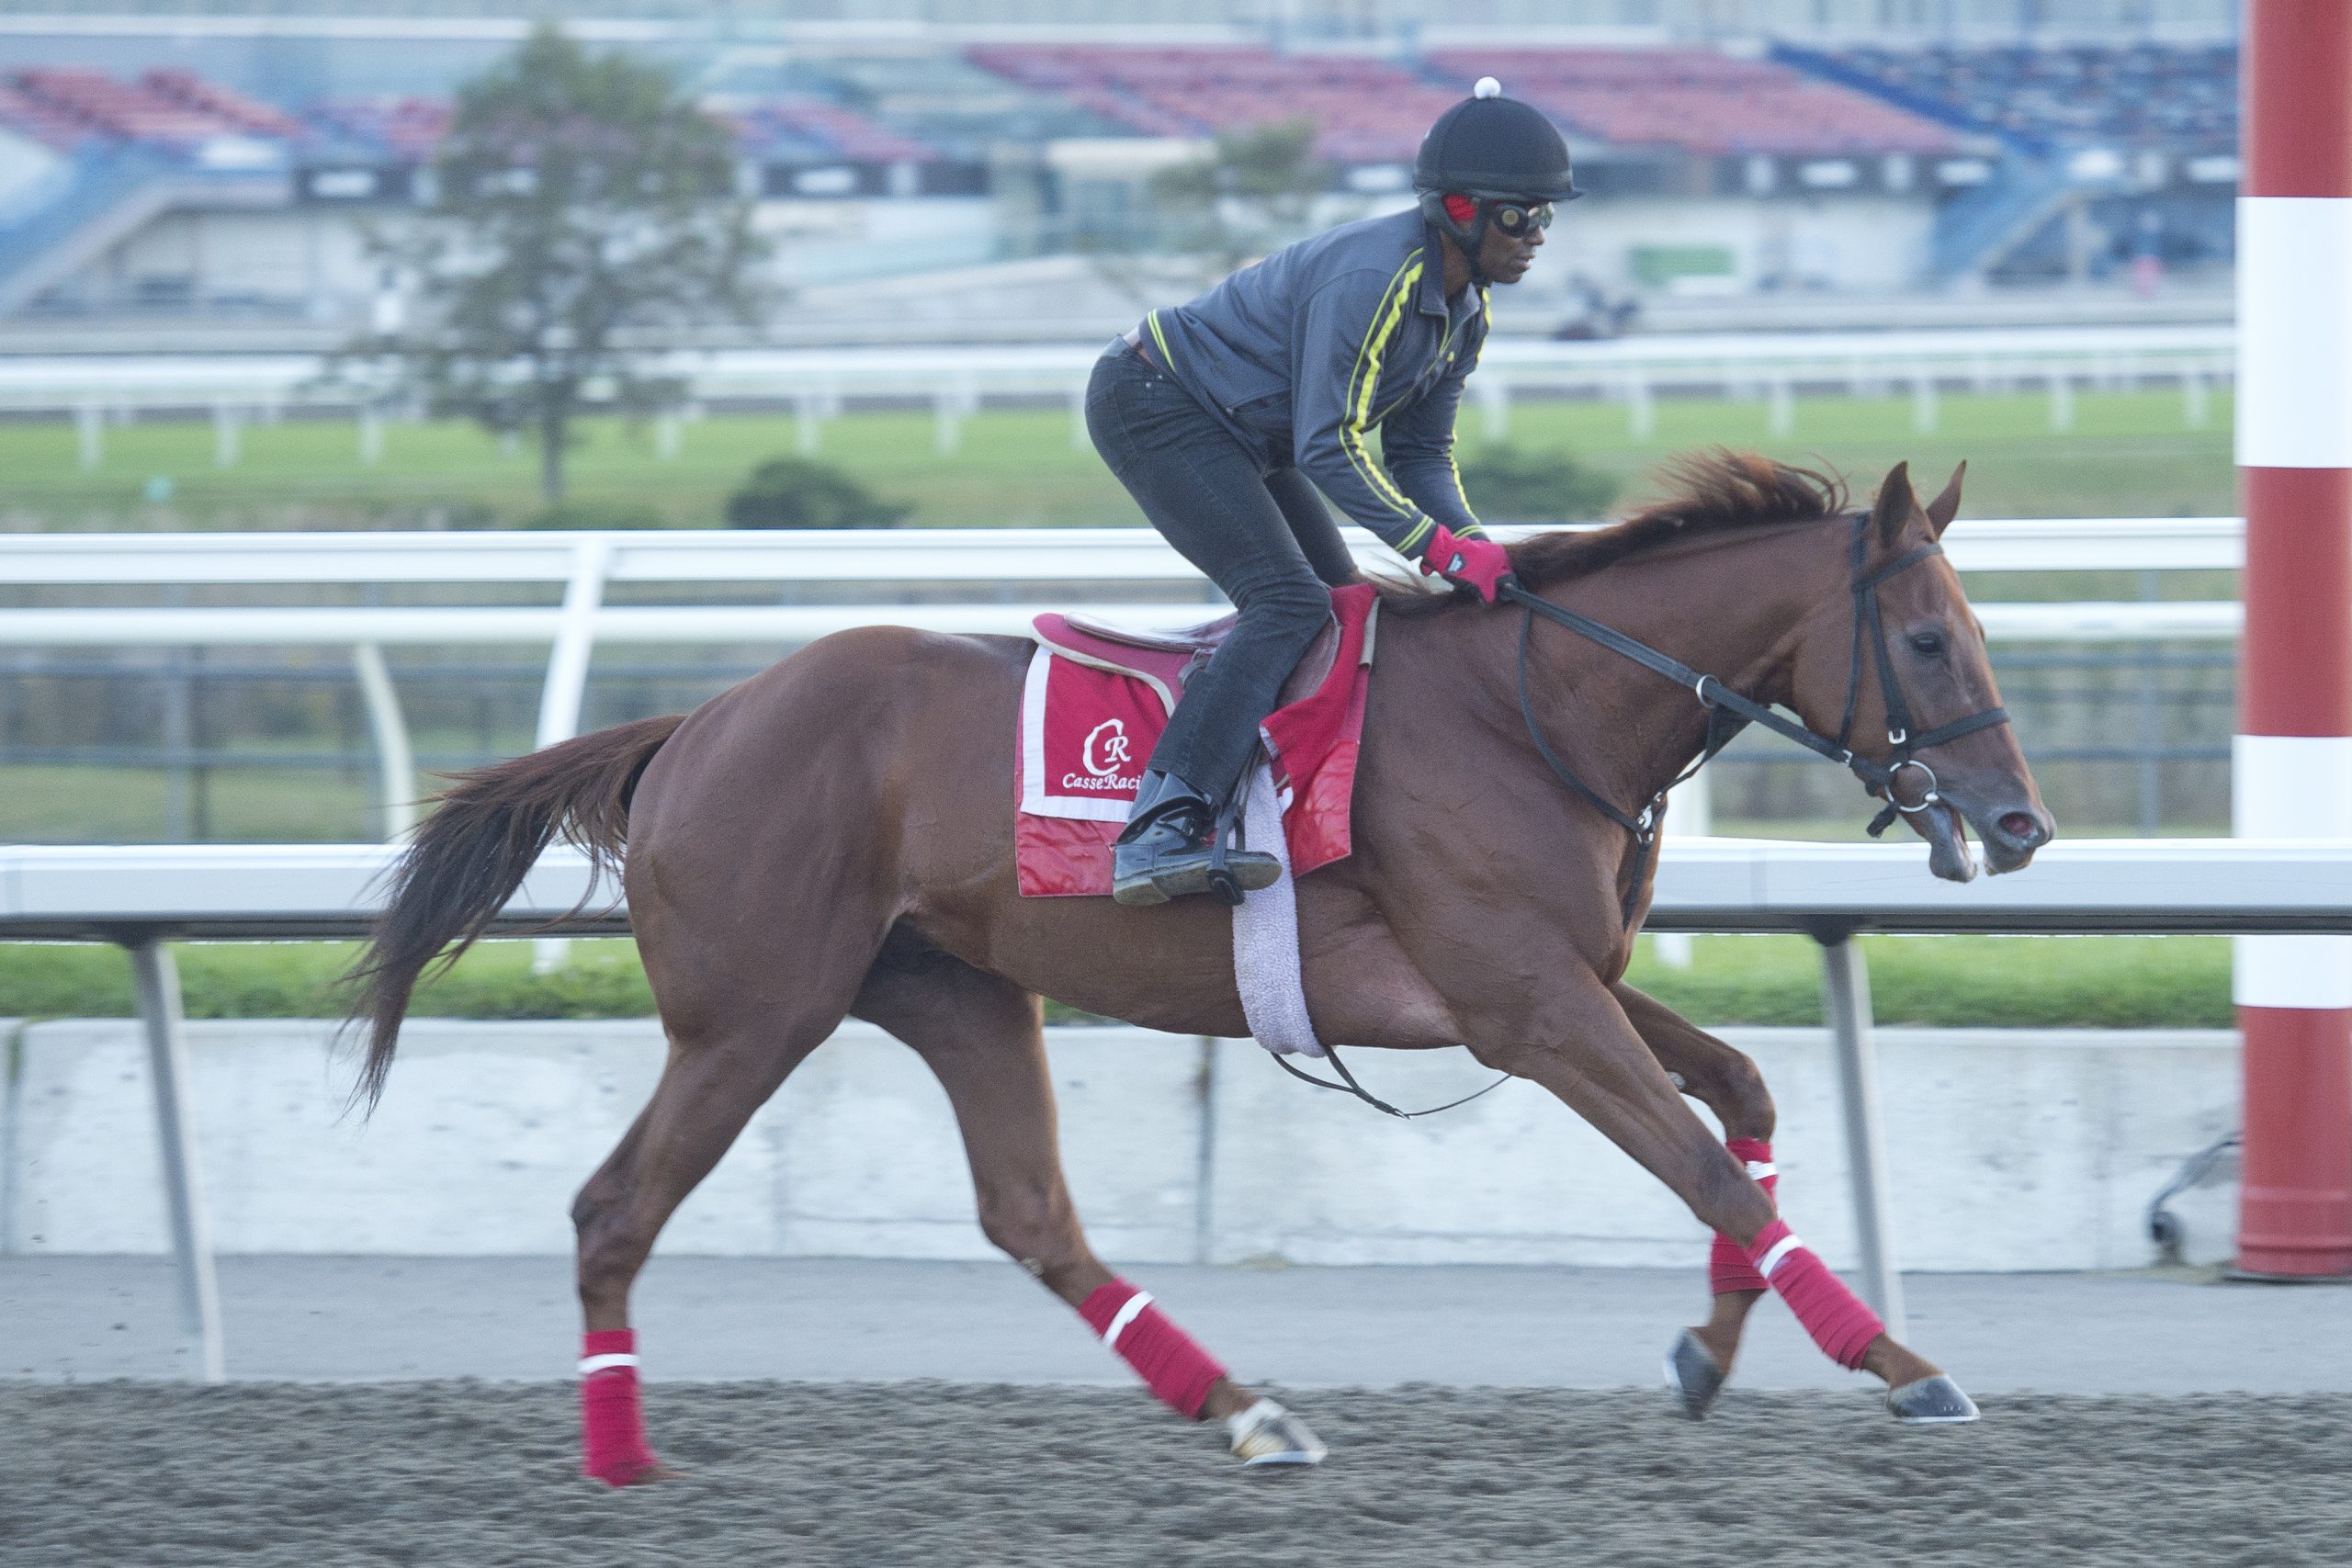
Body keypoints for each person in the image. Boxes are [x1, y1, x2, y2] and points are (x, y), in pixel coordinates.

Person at [1084, 77, 1577, 906]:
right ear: (1460, 211)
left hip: (1249, 427)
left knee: (1349, 605)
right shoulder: (1377, 279)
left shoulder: (1467, 310)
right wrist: (1434, 547)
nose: (1536, 237)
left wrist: (1472, 543)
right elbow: (1328, 444)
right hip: (1156, 400)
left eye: (1547, 218)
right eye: (1520, 216)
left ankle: (1299, 799)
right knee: (1287, 602)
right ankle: (1161, 827)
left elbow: (1421, 453)